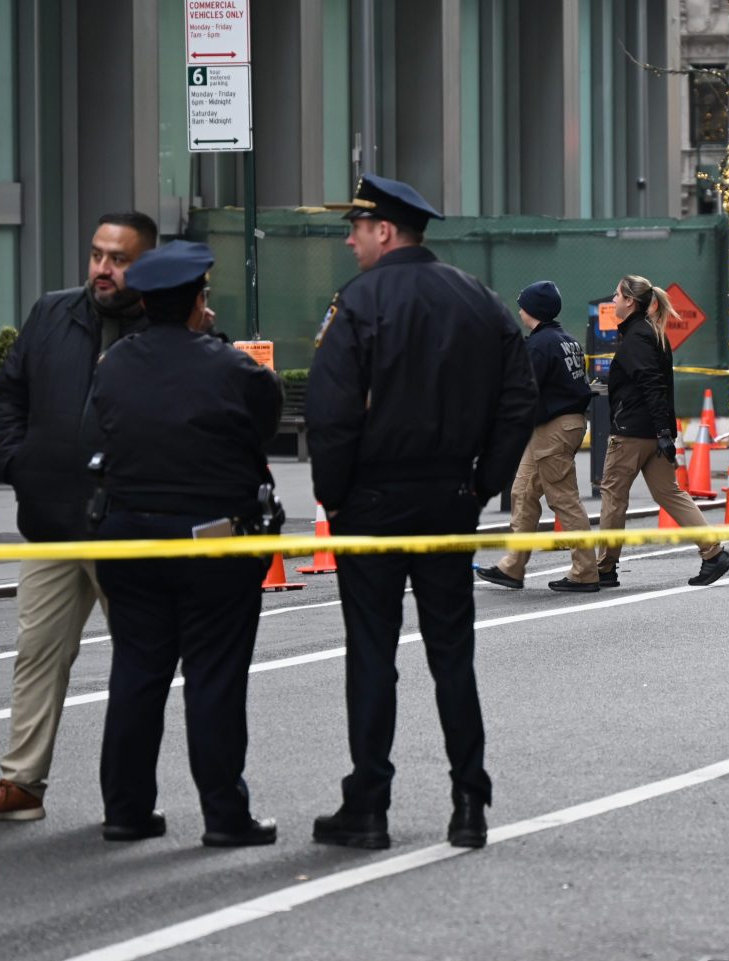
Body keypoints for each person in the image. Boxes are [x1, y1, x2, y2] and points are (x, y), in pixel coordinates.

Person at [306, 174, 537, 851]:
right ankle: (469, 801)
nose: (349, 241)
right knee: (452, 653)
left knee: (371, 654)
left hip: (371, 501)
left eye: (356, 229)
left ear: (384, 231)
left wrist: (335, 495)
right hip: (448, 497)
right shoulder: (477, 298)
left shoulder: (357, 302)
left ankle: (368, 805)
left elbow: (330, 412)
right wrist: (481, 484)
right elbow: (519, 401)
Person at [0, 212, 156, 823]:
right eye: (97, 255)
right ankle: (21, 785)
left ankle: (128, 801)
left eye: (118, 259)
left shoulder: (165, 324)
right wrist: (19, 463)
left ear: (146, 264)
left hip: (125, 527)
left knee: (140, 665)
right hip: (51, 520)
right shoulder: (52, 312)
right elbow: (9, 392)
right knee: (37, 653)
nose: (102, 268)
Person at [89, 240, 283, 846]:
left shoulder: (113, 364)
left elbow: (97, 431)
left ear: (145, 303)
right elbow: (264, 424)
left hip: (128, 539)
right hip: (213, 542)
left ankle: (126, 811)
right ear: (201, 301)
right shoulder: (234, 369)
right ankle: (224, 816)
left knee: (136, 673)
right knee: (214, 678)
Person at [595, 274, 729, 588]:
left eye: (617, 295)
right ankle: (713, 553)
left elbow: (651, 385)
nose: (613, 300)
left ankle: (605, 568)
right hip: (653, 433)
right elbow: (653, 384)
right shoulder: (652, 333)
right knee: (669, 493)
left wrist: (661, 430)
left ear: (630, 301)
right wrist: (664, 433)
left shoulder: (636, 337)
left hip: (632, 433)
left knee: (613, 497)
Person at [475, 280, 597, 593]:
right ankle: (512, 567)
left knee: (563, 498)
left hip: (553, 429)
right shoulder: (566, 340)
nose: (519, 311)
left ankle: (585, 571)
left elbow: (523, 390)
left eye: (523, 306)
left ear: (534, 310)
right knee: (522, 493)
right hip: (560, 426)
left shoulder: (540, 345)